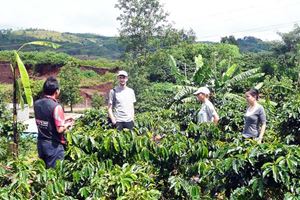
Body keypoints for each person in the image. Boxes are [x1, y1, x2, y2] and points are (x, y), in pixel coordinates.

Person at [34, 77, 74, 168]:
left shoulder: (37, 104)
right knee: (55, 175)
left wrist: (65, 118)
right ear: (57, 91)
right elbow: (59, 129)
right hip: (54, 146)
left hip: (41, 144)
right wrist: (67, 124)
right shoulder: (56, 106)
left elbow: (47, 119)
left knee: (44, 172)